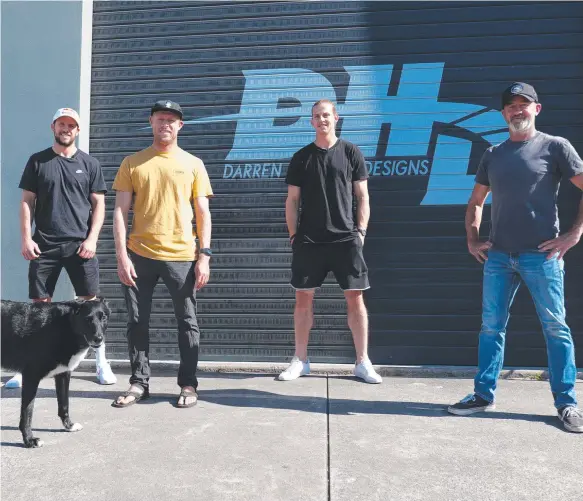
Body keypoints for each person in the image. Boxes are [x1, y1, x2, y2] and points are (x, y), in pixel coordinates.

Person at [448, 82, 583, 433]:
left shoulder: (555, 147)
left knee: (556, 328)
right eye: (511, 105)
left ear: (537, 109)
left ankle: (567, 403)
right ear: (503, 112)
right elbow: (476, 201)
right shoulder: (493, 153)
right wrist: (473, 239)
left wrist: (574, 233)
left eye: (524, 104)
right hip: (499, 257)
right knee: (491, 327)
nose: (517, 109)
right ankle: (483, 395)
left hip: (542, 256)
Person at [111, 100, 213, 409]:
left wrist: (204, 255)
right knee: (137, 321)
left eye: (171, 119)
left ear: (180, 125)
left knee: (187, 322)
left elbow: (203, 213)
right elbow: (119, 211)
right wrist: (121, 256)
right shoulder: (133, 162)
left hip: (181, 256)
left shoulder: (193, 163)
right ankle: (139, 382)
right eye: (160, 118)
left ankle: (188, 384)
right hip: (139, 254)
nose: (165, 123)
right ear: (151, 122)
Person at [5, 107, 117, 389]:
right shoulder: (38, 161)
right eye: (61, 124)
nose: (66, 129)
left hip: (81, 247)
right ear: (53, 127)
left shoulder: (90, 164)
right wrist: (26, 238)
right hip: (44, 246)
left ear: (78, 130)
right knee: (39, 310)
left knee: (92, 305)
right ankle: (28, 364)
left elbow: (99, 204)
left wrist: (92, 240)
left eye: (71, 125)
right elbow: (26, 202)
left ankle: (101, 362)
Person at [278, 99, 382, 384]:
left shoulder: (351, 152)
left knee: (356, 299)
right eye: (316, 116)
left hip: (345, 239)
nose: (321, 120)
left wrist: (360, 232)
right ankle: (300, 360)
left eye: (326, 115)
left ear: (336, 117)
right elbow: (292, 200)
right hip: (309, 241)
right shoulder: (301, 157)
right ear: (311, 121)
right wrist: (293, 236)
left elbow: (363, 196)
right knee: (302, 300)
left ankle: (362, 362)